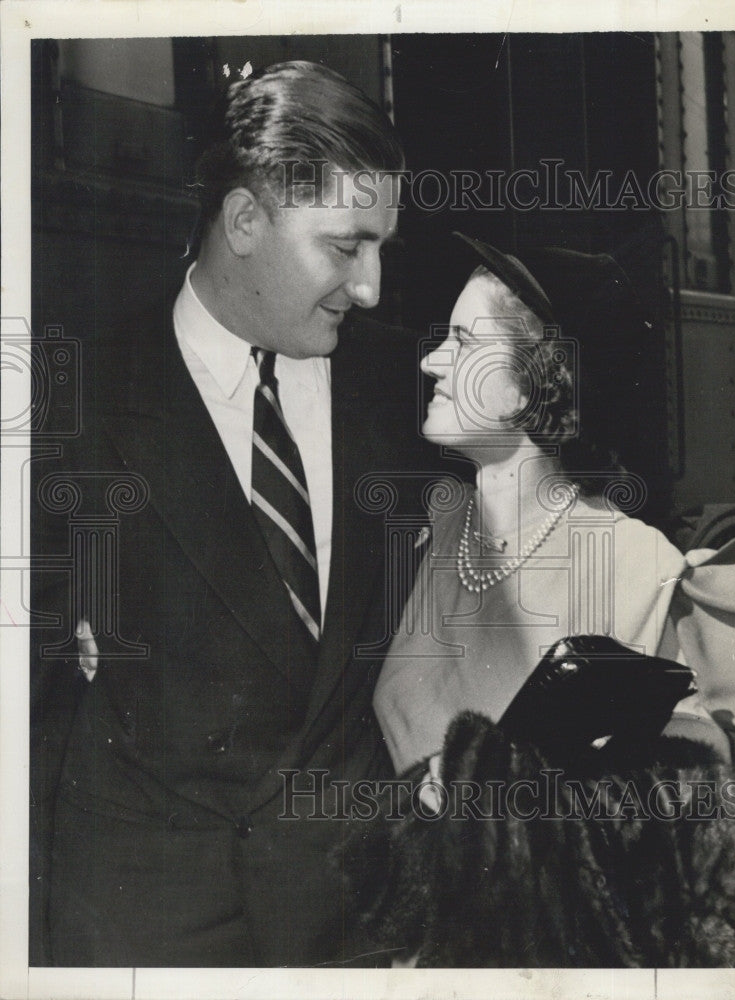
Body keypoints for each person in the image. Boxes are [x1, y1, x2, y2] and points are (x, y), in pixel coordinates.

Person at [30, 61, 437, 967]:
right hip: (147, 924)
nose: (370, 286)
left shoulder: (405, 387)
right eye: (345, 246)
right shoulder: (73, 403)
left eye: (382, 249)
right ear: (245, 220)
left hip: (353, 919)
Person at [373, 233, 735, 775]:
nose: (432, 361)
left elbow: (689, 779)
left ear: (533, 382)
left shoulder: (638, 566)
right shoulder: (433, 523)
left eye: (463, 341)